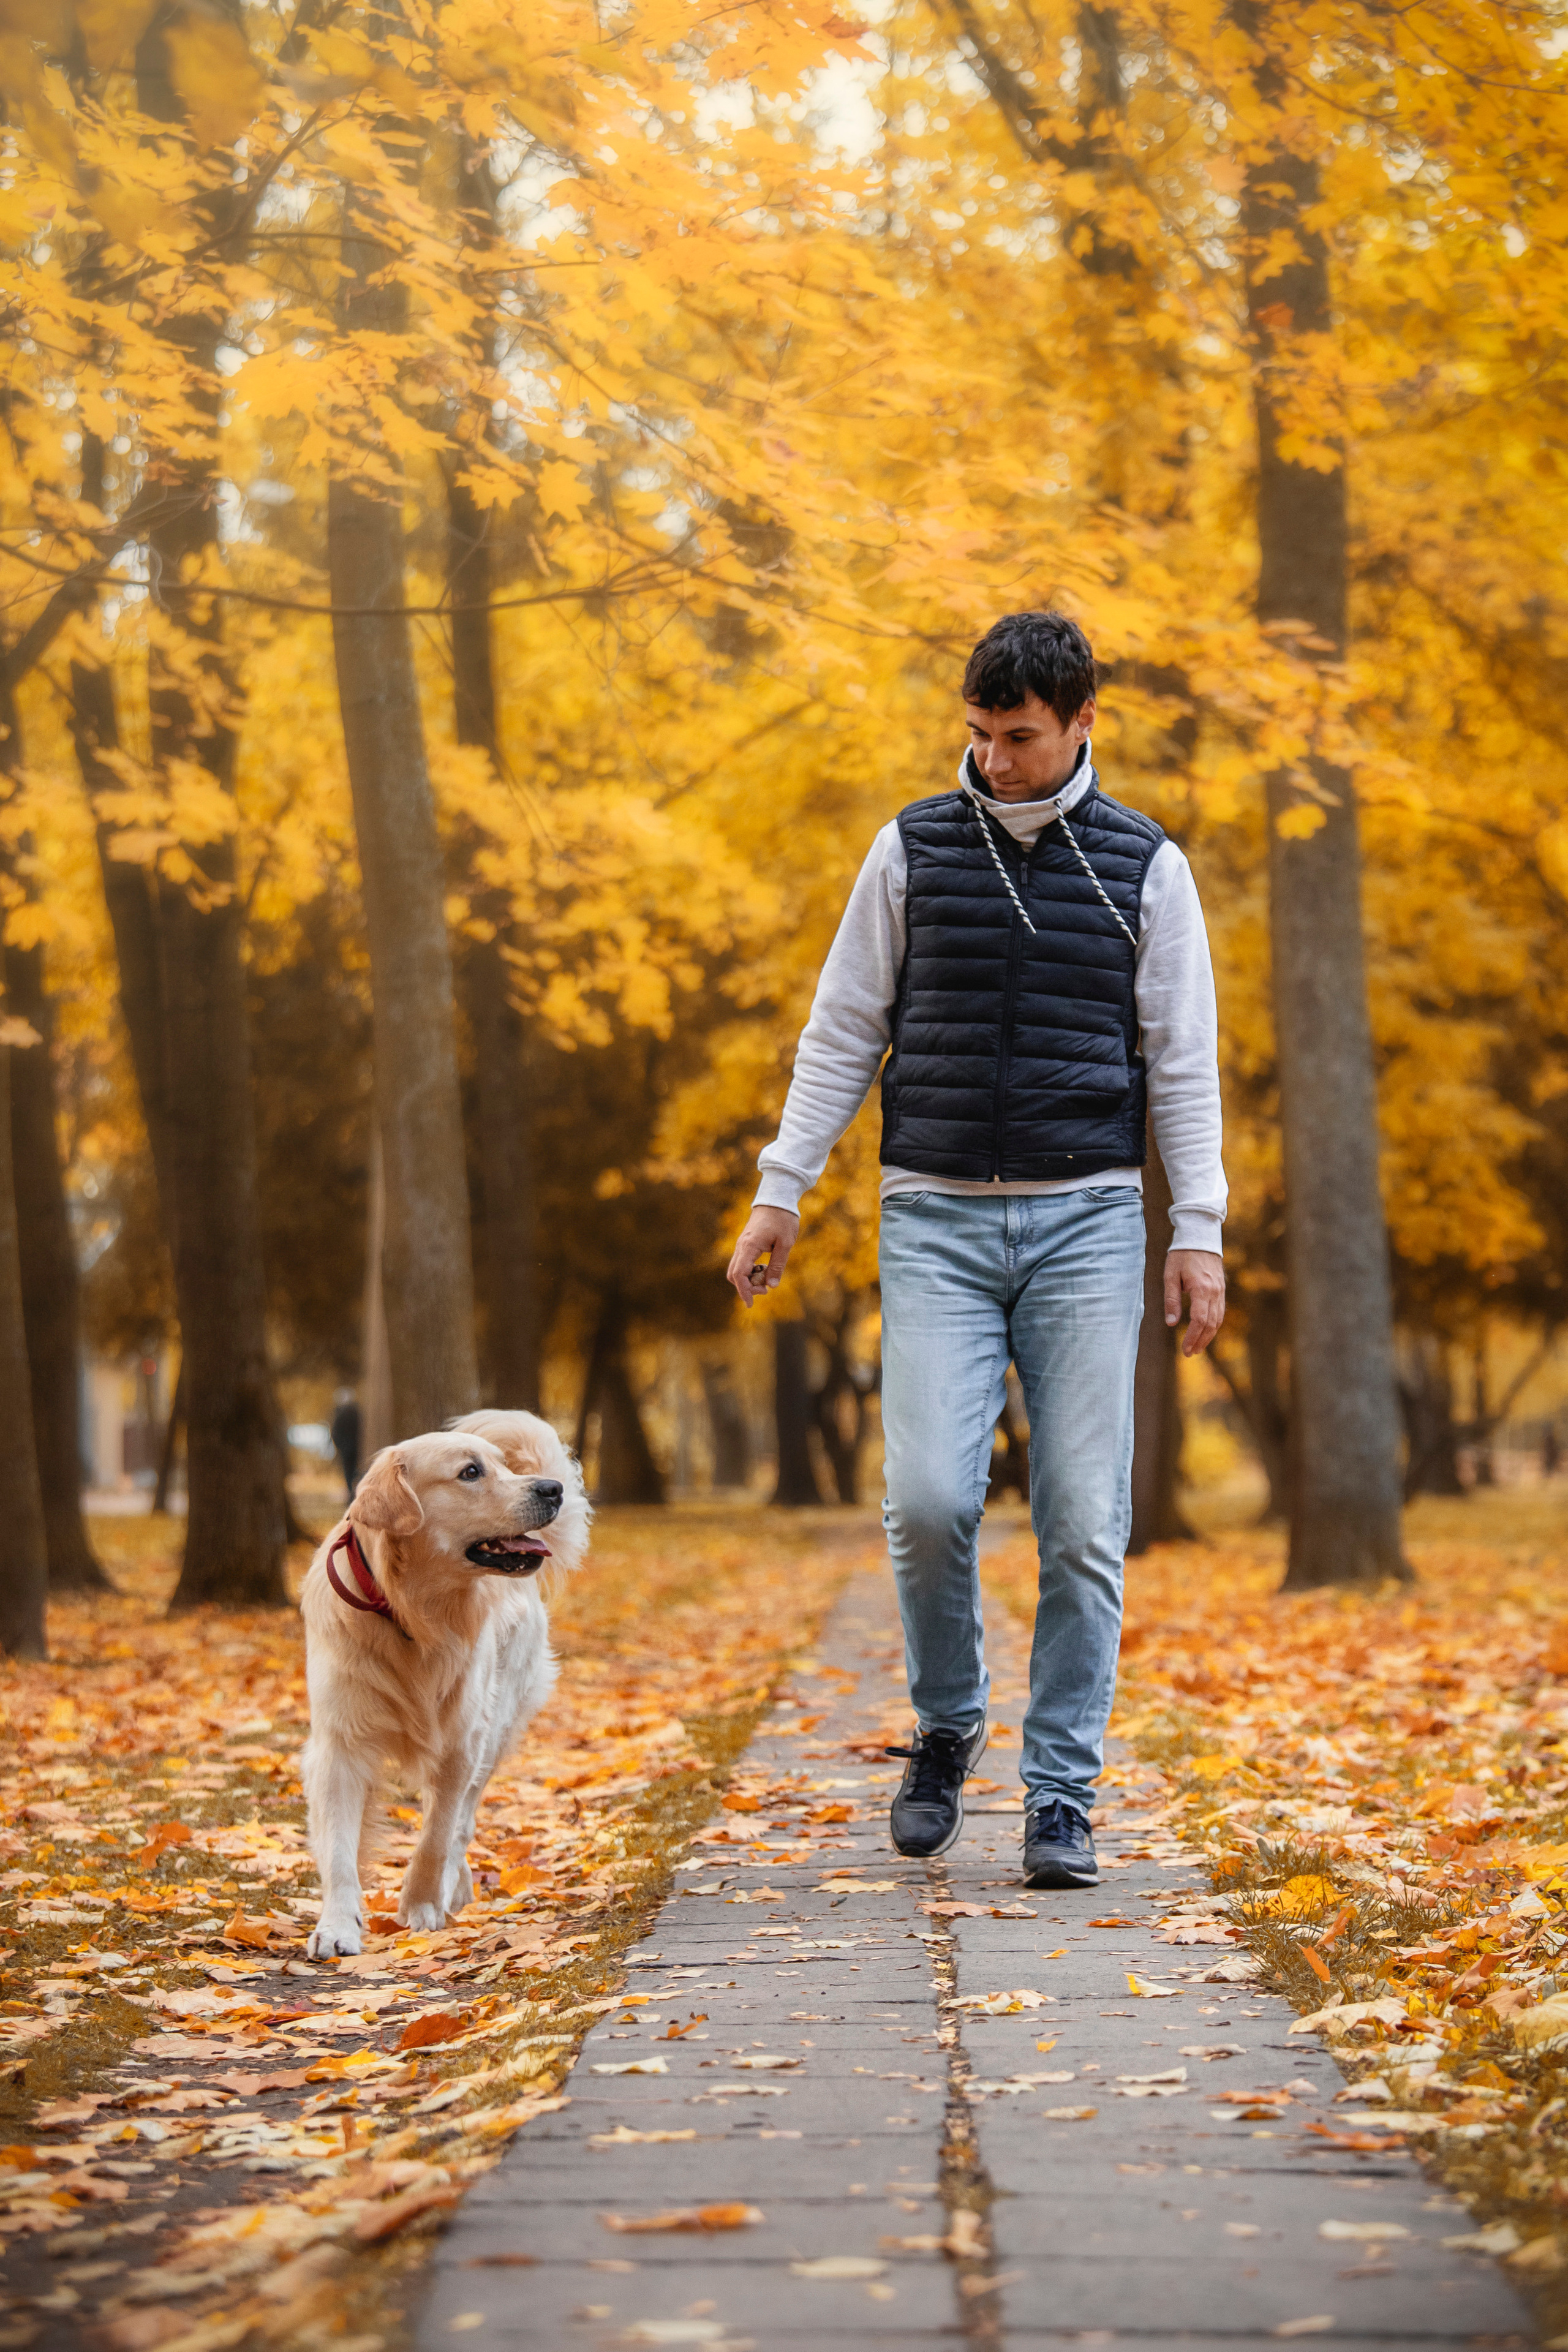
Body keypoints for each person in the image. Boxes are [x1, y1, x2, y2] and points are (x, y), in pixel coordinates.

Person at [725, 611, 1226, 1890]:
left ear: (1082, 724)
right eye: (979, 735)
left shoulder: (1147, 867)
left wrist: (1199, 1233)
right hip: (934, 1219)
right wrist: (782, 1189)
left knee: (1083, 1520)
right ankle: (947, 1726)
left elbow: (1183, 1065)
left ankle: (1061, 1791)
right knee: (930, 1503)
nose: (995, 762)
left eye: (1020, 739)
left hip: (1088, 1222)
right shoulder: (910, 849)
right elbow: (843, 1030)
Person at [330, 1389, 361, 1500]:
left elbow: (335, 1432)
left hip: (346, 1448)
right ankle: (354, 1492)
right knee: (354, 1470)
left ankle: (351, 1493)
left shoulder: (340, 1414)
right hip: (355, 1447)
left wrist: (339, 1446)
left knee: (349, 1472)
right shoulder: (357, 1413)